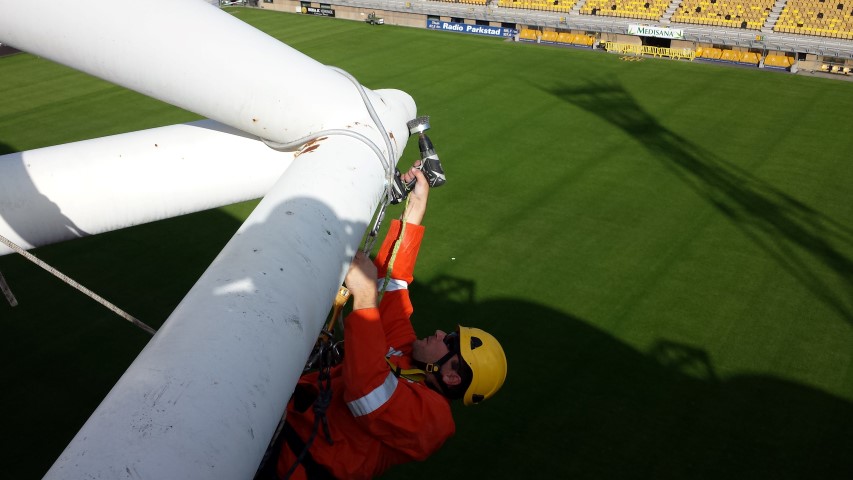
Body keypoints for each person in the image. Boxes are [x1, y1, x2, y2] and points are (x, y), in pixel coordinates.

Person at [268, 163, 507, 480]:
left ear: (451, 377)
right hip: (276, 432)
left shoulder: (433, 421)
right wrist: (416, 207)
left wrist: (365, 299)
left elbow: (365, 393)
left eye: (450, 342)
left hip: (289, 469)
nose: (440, 333)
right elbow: (392, 282)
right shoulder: (405, 354)